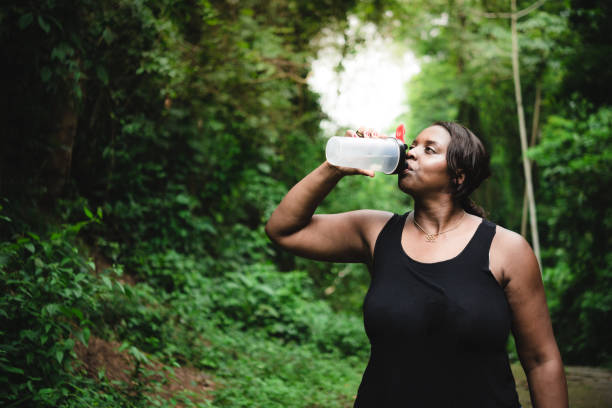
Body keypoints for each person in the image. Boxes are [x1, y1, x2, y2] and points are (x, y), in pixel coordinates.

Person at [265, 122, 569, 407]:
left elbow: (542, 360)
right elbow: (284, 230)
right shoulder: (375, 231)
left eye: (429, 149)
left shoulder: (506, 249)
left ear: (458, 176)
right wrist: (334, 167)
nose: (410, 151)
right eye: (412, 145)